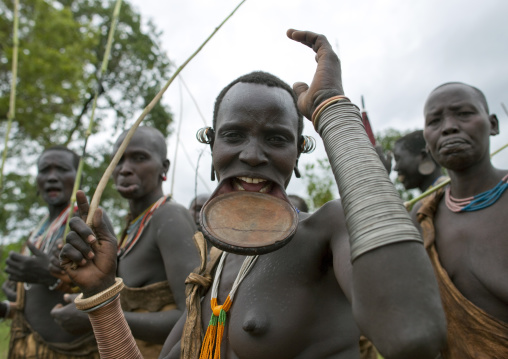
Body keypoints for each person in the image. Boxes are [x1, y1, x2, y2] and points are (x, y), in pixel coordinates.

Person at [60, 29, 446, 359]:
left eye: (276, 139)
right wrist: (101, 294)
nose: (251, 154)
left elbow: (413, 336)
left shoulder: (329, 230)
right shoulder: (211, 263)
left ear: (297, 156)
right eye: (233, 135)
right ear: (212, 149)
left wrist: (333, 112)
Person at [53, 127, 200, 358]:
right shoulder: (130, 227)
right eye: (118, 161)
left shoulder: (169, 217)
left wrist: (93, 315)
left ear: (164, 167)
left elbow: (195, 316)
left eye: (139, 158)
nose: (125, 169)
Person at [414, 82, 508, 358]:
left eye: (464, 114)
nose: (448, 127)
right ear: (427, 141)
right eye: (435, 121)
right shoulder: (421, 218)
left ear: (492, 124)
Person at [4, 146, 100, 359]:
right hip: (27, 348)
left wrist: (50, 277)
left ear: (78, 179)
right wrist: (13, 300)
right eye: (44, 170)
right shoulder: (37, 231)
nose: (52, 177)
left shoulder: (88, 225)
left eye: (62, 170)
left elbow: (105, 288)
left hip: (72, 352)